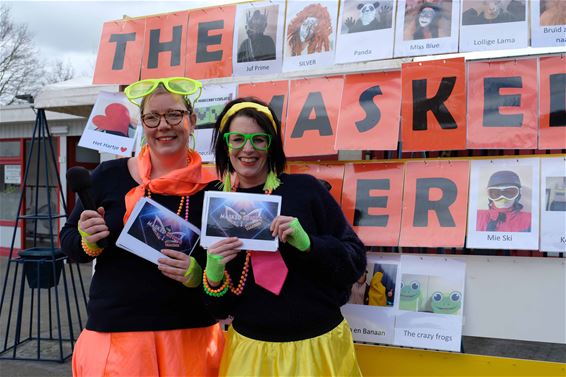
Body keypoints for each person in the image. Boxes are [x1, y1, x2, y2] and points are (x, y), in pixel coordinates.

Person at [59, 77, 225, 377]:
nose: (163, 125)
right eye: (152, 117)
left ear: (192, 120)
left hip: (191, 337)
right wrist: (88, 241)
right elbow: (69, 241)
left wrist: (201, 274)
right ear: (143, 124)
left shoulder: (215, 188)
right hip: (116, 338)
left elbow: (232, 267)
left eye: (174, 114)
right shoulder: (109, 175)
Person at [202, 97, 367, 376]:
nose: (248, 149)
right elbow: (218, 309)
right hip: (251, 352)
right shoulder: (214, 203)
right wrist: (213, 275)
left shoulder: (306, 190)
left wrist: (310, 245)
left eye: (259, 139)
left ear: (272, 144)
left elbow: (355, 262)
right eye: (237, 139)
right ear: (225, 145)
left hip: (318, 346)